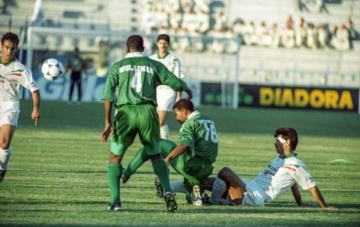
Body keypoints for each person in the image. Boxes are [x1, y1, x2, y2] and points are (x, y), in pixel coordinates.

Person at [100, 35, 192, 212]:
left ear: (127, 49)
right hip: (149, 113)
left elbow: (108, 95)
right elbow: (173, 81)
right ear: (143, 49)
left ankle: (116, 202)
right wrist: (186, 87)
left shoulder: (118, 66)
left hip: (125, 113)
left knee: (115, 158)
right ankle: (167, 191)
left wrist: (107, 122)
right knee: (156, 155)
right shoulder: (153, 64)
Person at [204, 127, 338, 210]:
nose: (274, 144)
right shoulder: (280, 159)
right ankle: (192, 193)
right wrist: (300, 203)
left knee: (225, 172)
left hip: (254, 196)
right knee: (205, 181)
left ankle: (214, 202)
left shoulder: (296, 164)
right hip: (248, 186)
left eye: (277, 141)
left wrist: (324, 206)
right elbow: (292, 183)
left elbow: (311, 186)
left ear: (288, 142)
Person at [121, 99, 218, 206]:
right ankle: (196, 193)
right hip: (206, 168)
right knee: (191, 200)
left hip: (190, 165)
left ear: (184, 111)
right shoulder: (208, 120)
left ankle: (126, 173)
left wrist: (168, 158)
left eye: (177, 114)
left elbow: (185, 144)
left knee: (155, 143)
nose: (177, 118)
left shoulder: (189, 123)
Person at [0, 32, 41, 182]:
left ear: (16, 49)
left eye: (12, 48)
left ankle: (2, 169)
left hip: (10, 106)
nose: (9, 51)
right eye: (6, 47)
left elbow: (35, 90)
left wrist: (36, 108)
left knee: (4, 143)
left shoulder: (21, 69)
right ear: (1, 46)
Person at [149, 34, 185, 140]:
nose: (163, 45)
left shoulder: (174, 59)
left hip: (168, 91)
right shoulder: (151, 59)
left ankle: (164, 144)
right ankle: (155, 145)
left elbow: (178, 79)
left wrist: (179, 96)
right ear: (157, 44)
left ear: (168, 44)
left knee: (161, 121)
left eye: (165, 43)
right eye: (161, 43)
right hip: (154, 91)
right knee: (154, 122)